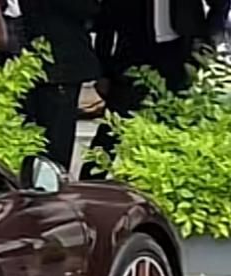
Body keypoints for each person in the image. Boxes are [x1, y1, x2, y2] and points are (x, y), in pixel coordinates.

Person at [80, 0, 230, 179]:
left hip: (179, 51)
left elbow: (220, 3)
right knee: (116, 122)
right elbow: (107, 25)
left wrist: (210, 34)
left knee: (173, 121)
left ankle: (165, 182)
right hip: (133, 53)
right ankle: (89, 182)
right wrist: (103, 72)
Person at [18, 0, 100, 169]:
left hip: (37, 60)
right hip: (58, 60)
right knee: (56, 140)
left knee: (37, 137)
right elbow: (86, 9)